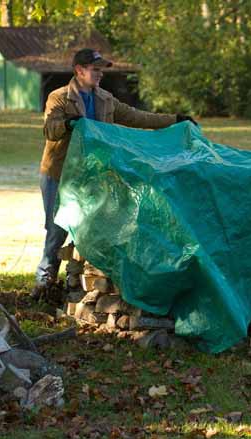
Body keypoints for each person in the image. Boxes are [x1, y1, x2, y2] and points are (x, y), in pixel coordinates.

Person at [32, 48, 196, 300]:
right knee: (57, 228)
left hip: (92, 174)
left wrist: (174, 120)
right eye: (95, 69)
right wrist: (68, 124)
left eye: (101, 69)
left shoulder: (105, 99)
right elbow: (50, 129)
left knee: (90, 226)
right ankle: (44, 283)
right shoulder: (60, 97)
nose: (100, 74)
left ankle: (74, 281)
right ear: (79, 70)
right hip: (59, 173)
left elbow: (136, 117)